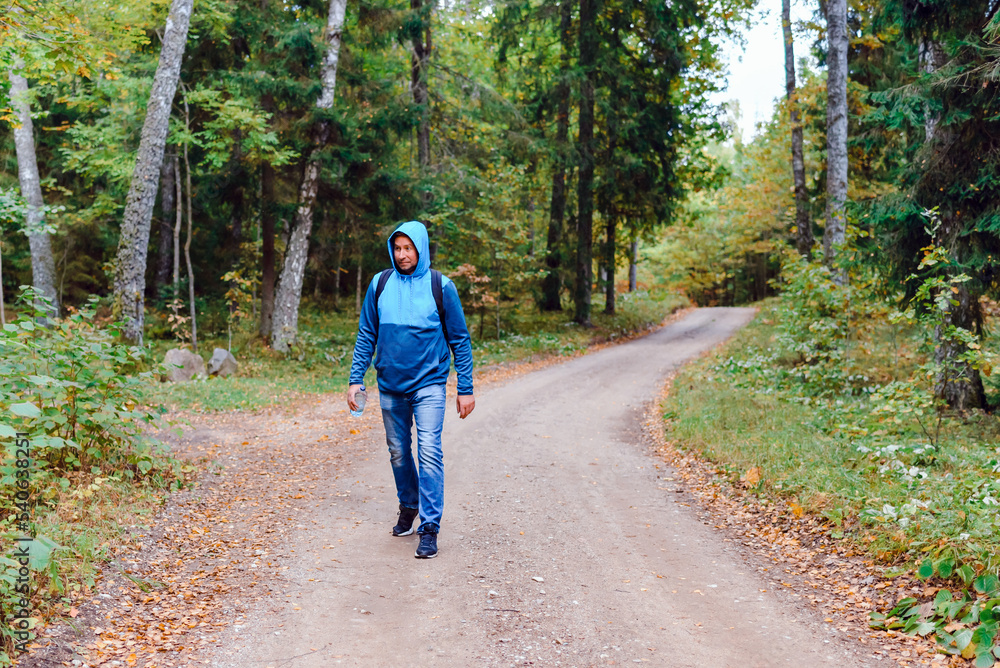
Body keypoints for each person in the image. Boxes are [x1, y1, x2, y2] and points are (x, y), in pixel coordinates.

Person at [347, 220, 475, 559]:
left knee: (429, 451)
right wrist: (356, 378)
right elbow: (366, 334)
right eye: (398, 248)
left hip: (429, 384)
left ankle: (429, 527)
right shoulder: (380, 284)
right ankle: (409, 505)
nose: (402, 254)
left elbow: (460, 340)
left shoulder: (441, 286)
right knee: (398, 452)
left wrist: (465, 387)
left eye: (409, 248)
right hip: (390, 385)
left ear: (421, 249)